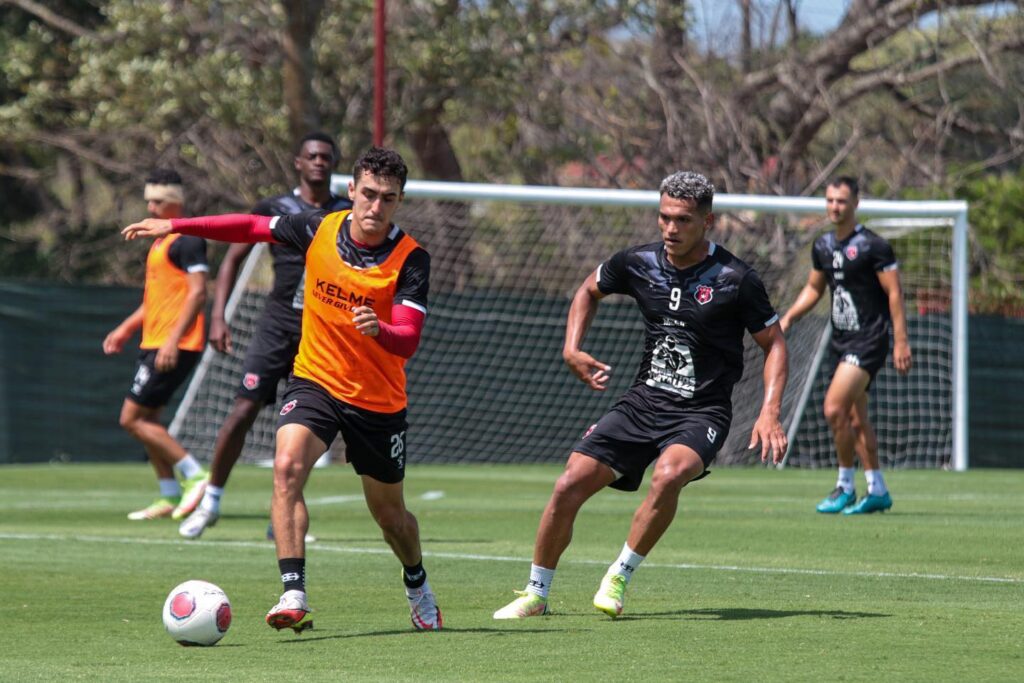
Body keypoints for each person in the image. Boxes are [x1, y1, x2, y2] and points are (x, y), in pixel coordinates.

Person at [122, 147, 441, 631]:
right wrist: (178, 226)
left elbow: (409, 339)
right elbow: (250, 227)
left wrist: (381, 328)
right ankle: (293, 592)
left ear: (399, 201)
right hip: (314, 378)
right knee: (287, 466)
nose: (376, 208)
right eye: (369, 195)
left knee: (390, 516)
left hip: (376, 400)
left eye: (388, 199)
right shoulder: (318, 227)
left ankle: (417, 583)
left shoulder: (411, 258)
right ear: (350, 192)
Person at [493, 171, 788, 620]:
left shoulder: (735, 279)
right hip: (643, 402)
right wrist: (571, 348)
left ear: (708, 222)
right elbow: (588, 291)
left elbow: (775, 344)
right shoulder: (638, 262)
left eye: (683, 220)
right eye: (664, 217)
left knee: (670, 475)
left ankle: (620, 574)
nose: (670, 229)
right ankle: (536, 593)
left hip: (702, 410)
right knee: (568, 483)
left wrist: (769, 411)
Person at [178, 132, 353, 540]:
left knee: (305, 425)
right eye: (311, 155)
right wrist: (218, 316)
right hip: (276, 325)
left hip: (320, 331)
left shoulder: (345, 212)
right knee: (244, 409)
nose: (319, 162)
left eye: (326, 157)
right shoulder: (276, 208)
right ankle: (211, 501)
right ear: (298, 162)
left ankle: (283, 515)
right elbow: (234, 256)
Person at [779, 176, 911, 515]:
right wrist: (790, 317)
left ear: (856, 203)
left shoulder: (873, 246)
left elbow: (894, 293)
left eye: (841, 201)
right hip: (841, 340)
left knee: (833, 408)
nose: (835, 207)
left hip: (870, 338)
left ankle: (844, 486)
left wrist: (901, 342)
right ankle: (877, 489)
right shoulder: (823, 246)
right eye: (830, 200)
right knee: (854, 416)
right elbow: (813, 288)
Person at [103, 169, 210, 521]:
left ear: (176, 201)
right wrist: (124, 328)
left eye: (158, 200)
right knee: (148, 419)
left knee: (131, 419)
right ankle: (168, 494)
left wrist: (172, 342)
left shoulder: (188, 238)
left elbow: (197, 293)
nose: (150, 206)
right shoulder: (160, 242)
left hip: (176, 343)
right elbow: (155, 300)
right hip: (156, 340)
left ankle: (195, 475)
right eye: (148, 199)